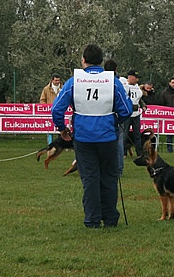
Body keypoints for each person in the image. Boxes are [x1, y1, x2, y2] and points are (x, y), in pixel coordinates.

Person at [51, 44, 132, 229]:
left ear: (83, 60)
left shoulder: (74, 81)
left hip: (83, 138)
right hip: (108, 137)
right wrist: (114, 120)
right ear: (101, 61)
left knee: (90, 178)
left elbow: (56, 109)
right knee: (110, 177)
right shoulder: (112, 81)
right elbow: (127, 110)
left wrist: (62, 129)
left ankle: (92, 220)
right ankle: (110, 218)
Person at [120, 70, 144, 155]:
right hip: (127, 114)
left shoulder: (137, 87)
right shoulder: (123, 85)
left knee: (137, 134)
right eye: (135, 78)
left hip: (136, 113)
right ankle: (123, 153)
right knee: (124, 134)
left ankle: (139, 153)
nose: (137, 80)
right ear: (130, 77)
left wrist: (143, 105)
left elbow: (139, 99)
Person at [40, 73, 62, 146]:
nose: (57, 82)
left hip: (61, 112)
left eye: (58, 80)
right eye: (56, 80)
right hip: (49, 113)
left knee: (61, 129)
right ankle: (50, 144)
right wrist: (46, 107)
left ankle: (62, 145)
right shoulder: (46, 89)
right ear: (52, 80)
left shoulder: (64, 88)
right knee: (50, 130)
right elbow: (42, 100)